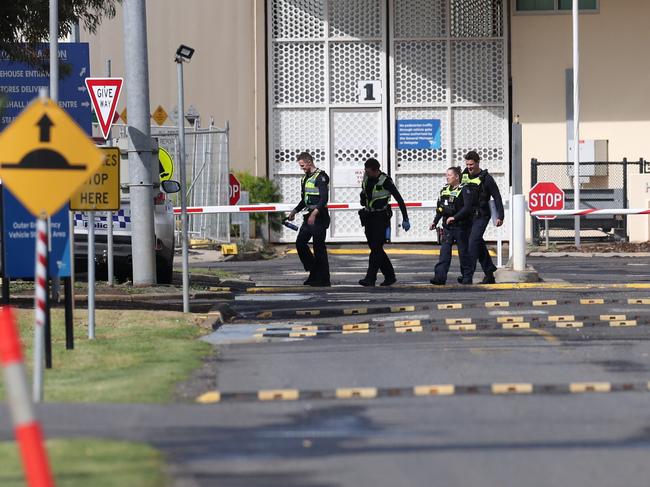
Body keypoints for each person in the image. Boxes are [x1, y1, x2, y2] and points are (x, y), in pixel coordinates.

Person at [358, 158, 410, 287]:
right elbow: (364, 194)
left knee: (376, 248)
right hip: (368, 216)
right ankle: (390, 276)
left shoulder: (385, 181)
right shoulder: (366, 178)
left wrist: (405, 218)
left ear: (376, 170)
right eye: (366, 170)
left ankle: (370, 278)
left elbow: (399, 199)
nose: (366, 173)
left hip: (381, 217)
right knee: (376, 248)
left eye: (369, 171)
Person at [286, 152, 331, 287]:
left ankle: (323, 279)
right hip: (308, 216)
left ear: (309, 162)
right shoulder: (305, 178)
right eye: (301, 166)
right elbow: (305, 200)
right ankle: (314, 271)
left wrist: (315, 213)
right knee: (300, 243)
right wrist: (295, 211)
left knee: (319, 248)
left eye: (303, 165)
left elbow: (324, 199)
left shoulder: (320, 177)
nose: (302, 168)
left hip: (319, 217)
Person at [460, 150, 504, 285]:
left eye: (471, 164)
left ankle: (468, 276)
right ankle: (489, 272)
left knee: (473, 242)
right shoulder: (464, 175)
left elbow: (497, 196)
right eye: (467, 164)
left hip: (482, 215)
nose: (469, 167)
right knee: (478, 244)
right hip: (468, 217)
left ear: (478, 163)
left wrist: (500, 216)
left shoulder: (486, 178)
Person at [429, 167, 474, 285]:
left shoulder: (464, 189)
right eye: (446, 175)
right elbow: (440, 208)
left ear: (457, 177)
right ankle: (440, 277)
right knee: (444, 252)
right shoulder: (444, 190)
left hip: (461, 226)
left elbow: (468, 208)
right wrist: (435, 221)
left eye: (449, 175)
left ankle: (466, 277)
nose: (447, 177)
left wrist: (455, 217)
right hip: (447, 227)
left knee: (463, 252)